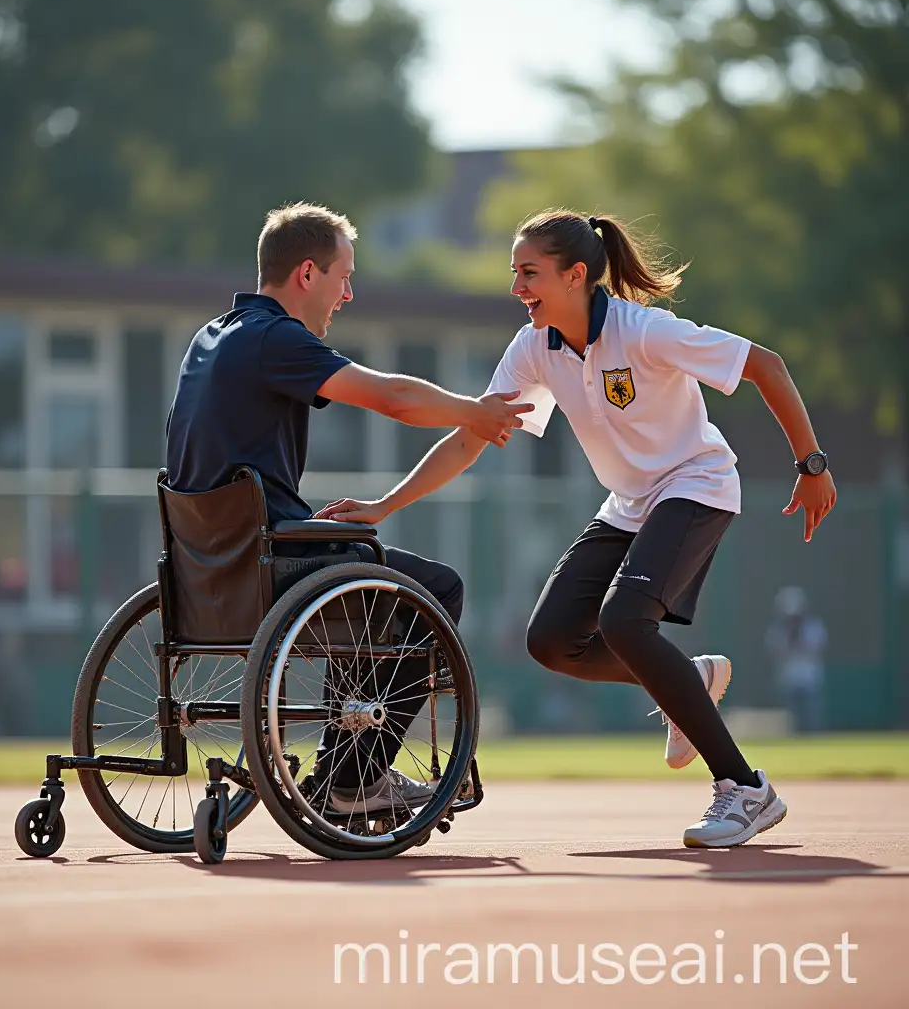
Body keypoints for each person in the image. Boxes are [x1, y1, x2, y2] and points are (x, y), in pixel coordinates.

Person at [314, 208, 837, 848]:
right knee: (552, 641)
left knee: (623, 622)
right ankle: (688, 681)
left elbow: (768, 366)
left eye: (529, 273)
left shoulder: (645, 331)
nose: (517, 289)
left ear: (577, 275)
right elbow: (474, 436)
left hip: (696, 485)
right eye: (515, 274)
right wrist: (384, 505)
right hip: (627, 503)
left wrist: (811, 465)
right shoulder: (536, 346)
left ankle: (745, 788)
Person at [165, 201, 533, 814]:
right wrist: (475, 411)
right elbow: (389, 396)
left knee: (361, 574)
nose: (349, 294)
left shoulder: (212, 336)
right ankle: (353, 782)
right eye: (343, 276)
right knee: (434, 588)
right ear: (307, 274)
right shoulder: (274, 337)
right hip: (273, 556)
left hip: (204, 561)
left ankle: (344, 771)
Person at [766, 586, 828, 733]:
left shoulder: (813, 628)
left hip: (810, 679)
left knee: (812, 718)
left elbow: (819, 648)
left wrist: (799, 640)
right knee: (791, 721)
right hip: (788, 679)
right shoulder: (778, 631)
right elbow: (774, 652)